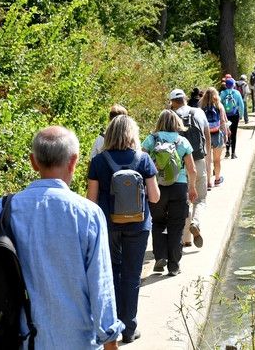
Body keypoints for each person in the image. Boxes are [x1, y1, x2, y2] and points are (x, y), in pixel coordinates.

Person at [0, 126, 124, 350]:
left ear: (33, 161)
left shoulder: (4, 208)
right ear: (74, 162)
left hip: (21, 338)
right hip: (77, 341)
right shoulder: (88, 214)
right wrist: (109, 340)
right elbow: (101, 284)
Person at [87, 115, 160, 344]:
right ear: (132, 134)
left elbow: (91, 201)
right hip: (138, 226)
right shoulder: (143, 160)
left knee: (112, 273)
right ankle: (129, 327)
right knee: (132, 275)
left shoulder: (98, 161)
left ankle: (113, 325)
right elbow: (155, 197)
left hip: (109, 225)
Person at [141, 110, 197, 276]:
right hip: (178, 187)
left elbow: (141, 162)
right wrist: (192, 187)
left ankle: (160, 257)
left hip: (156, 187)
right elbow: (192, 169)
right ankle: (174, 266)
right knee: (176, 225)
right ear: (176, 123)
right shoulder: (183, 141)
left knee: (158, 222)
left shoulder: (151, 139)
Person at [168, 89, 211, 249]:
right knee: (200, 199)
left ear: (172, 102)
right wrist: (208, 163)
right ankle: (196, 222)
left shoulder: (171, 117)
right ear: (185, 98)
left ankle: (186, 239)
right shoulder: (199, 112)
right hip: (198, 160)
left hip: (179, 164)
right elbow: (206, 139)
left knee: (184, 201)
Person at [200, 87, 230, 189]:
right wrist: (226, 134)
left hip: (205, 135)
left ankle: (208, 183)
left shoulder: (201, 106)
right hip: (217, 134)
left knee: (207, 160)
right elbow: (222, 121)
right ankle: (217, 179)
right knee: (217, 160)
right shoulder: (219, 106)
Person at [220, 77, 245, 159]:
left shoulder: (222, 93)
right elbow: (241, 105)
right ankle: (233, 153)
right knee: (234, 133)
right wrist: (241, 115)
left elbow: (219, 105)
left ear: (226, 85)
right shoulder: (237, 93)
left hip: (226, 116)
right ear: (233, 85)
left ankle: (227, 150)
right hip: (234, 115)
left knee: (227, 132)